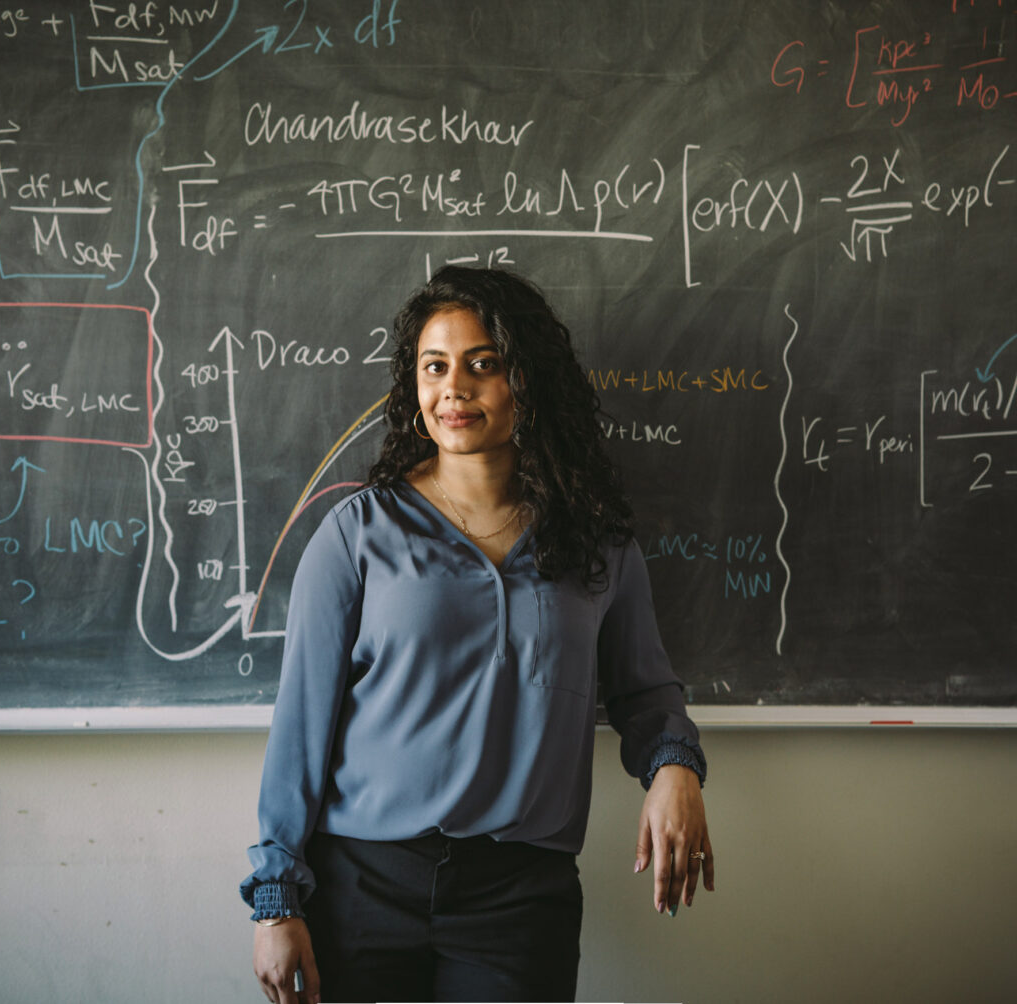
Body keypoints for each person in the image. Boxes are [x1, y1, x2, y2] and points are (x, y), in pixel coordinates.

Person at [241, 265, 714, 1003]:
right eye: (435, 367)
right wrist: (277, 897)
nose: (454, 389)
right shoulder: (357, 534)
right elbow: (299, 732)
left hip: (519, 901)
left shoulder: (596, 546)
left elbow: (646, 692)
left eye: (482, 365)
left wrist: (676, 767)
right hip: (361, 887)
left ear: (527, 381)